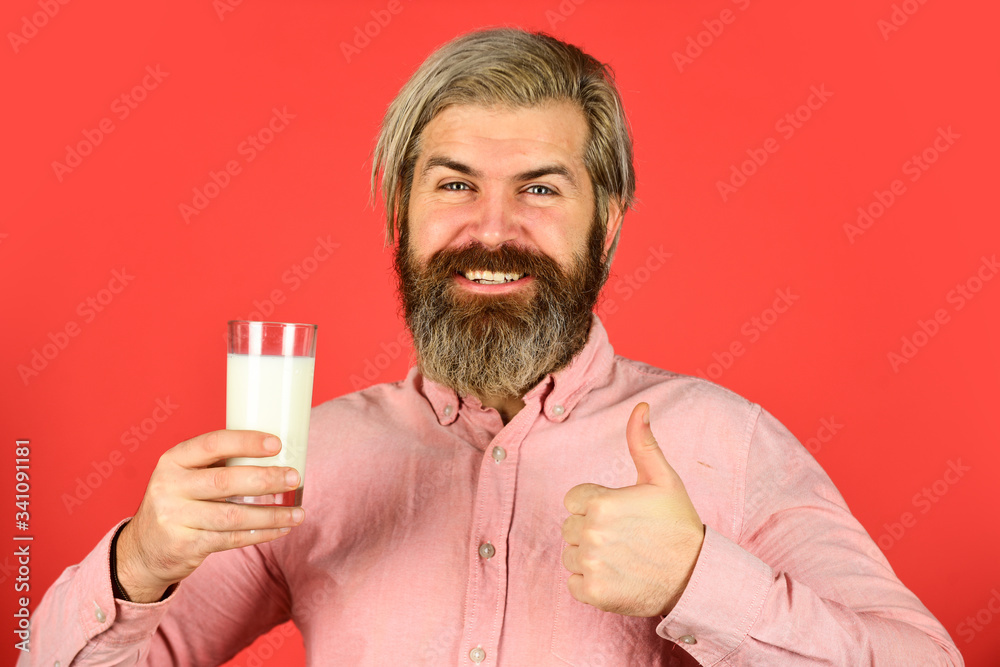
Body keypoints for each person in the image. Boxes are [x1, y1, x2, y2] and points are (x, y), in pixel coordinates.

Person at [23, 28, 963, 666]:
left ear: (608, 225)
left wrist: (698, 582)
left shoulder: (727, 440)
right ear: (400, 217)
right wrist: (138, 563)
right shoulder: (309, 459)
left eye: (541, 189)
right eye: (455, 184)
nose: (493, 229)